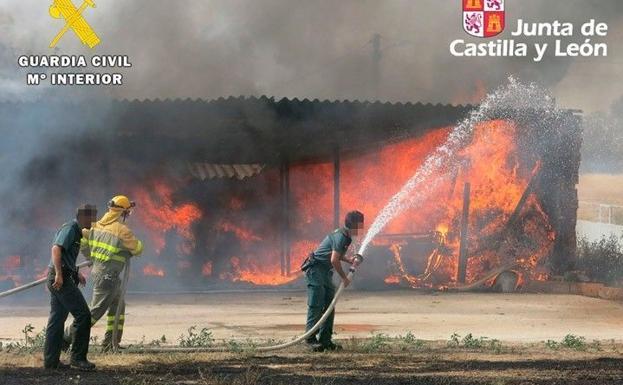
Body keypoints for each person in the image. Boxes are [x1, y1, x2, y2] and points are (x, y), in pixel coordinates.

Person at [83, 195, 143, 351]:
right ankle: (66, 339)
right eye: (128, 211)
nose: (129, 215)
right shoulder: (121, 231)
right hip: (107, 277)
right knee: (95, 313)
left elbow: (83, 241)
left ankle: (111, 343)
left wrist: (91, 257)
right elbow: (138, 248)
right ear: (122, 212)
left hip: (103, 274)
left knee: (118, 308)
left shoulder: (96, 226)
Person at [44, 204, 97, 371]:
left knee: (57, 320)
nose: (93, 221)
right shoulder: (70, 228)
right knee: (83, 315)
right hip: (61, 279)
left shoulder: (76, 230)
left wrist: (76, 272)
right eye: (91, 217)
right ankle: (78, 359)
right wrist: (60, 275)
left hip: (63, 276)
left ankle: (51, 362)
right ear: (83, 217)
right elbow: (56, 249)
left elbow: (66, 256)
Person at [302, 210, 364, 352]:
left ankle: (325, 340)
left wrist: (349, 260)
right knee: (316, 305)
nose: (361, 229)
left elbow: (336, 254)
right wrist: (344, 278)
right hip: (316, 270)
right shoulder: (341, 236)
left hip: (324, 272)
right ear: (354, 225)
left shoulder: (345, 237)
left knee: (330, 305)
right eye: (360, 225)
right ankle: (310, 339)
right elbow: (334, 260)